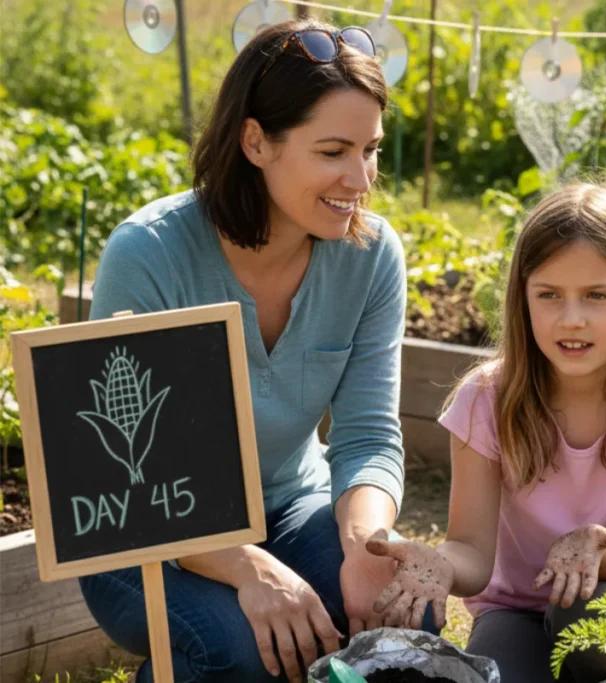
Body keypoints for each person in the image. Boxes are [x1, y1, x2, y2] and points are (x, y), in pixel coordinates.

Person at [78, 18, 437, 683]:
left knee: (406, 615)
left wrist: (362, 543)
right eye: (334, 151)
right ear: (255, 141)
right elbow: (128, 483)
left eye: (372, 149)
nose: (360, 179)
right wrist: (248, 567)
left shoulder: (371, 254)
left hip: (288, 504)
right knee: (243, 650)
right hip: (151, 536)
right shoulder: (149, 256)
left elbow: (365, 434)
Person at [363, 181, 606, 682]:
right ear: (523, 298)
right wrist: (442, 563)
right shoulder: (485, 399)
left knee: (586, 617)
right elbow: (471, 553)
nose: (571, 319)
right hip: (515, 609)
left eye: (598, 296)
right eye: (549, 295)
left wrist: (596, 546)